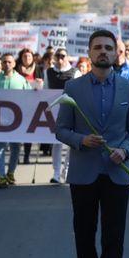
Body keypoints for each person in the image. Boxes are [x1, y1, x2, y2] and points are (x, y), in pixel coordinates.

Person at [56, 29, 129, 258]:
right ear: (89, 53)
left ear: (116, 54)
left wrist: (125, 150)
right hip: (84, 172)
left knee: (114, 238)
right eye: (98, 47)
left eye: (108, 48)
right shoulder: (73, 88)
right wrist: (81, 140)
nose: (103, 52)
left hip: (117, 172)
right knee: (84, 235)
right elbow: (61, 129)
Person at [0, 53, 32, 189]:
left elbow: (31, 97)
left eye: (9, 62)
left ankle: (10, 173)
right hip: (0, 121)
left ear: (14, 64)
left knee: (15, 148)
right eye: (4, 62)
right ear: (1, 64)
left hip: (17, 121)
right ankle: (1, 177)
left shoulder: (21, 80)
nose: (7, 64)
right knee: (0, 149)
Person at [46, 48, 82, 184]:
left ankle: (65, 171)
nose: (60, 59)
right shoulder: (48, 72)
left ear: (67, 57)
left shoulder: (75, 72)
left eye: (63, 56)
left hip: (71, 111)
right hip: (55, 112)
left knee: (70, 144)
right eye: (58, 56)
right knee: (56, 143)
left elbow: (79, 91)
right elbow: (45, 90)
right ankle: (56, 172)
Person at [16, 48, 44, 164]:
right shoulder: (16, 69)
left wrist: (40, 83)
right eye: (24, 56)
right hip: (17, 103)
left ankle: (26, 156)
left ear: (33, 58)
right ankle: (15, 155)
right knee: (17, 131)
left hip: (32, 104)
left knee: (28, 131)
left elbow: (43, 85)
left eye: (29, 56)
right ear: (21, 58)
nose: (27, 58)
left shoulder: (37, 69)